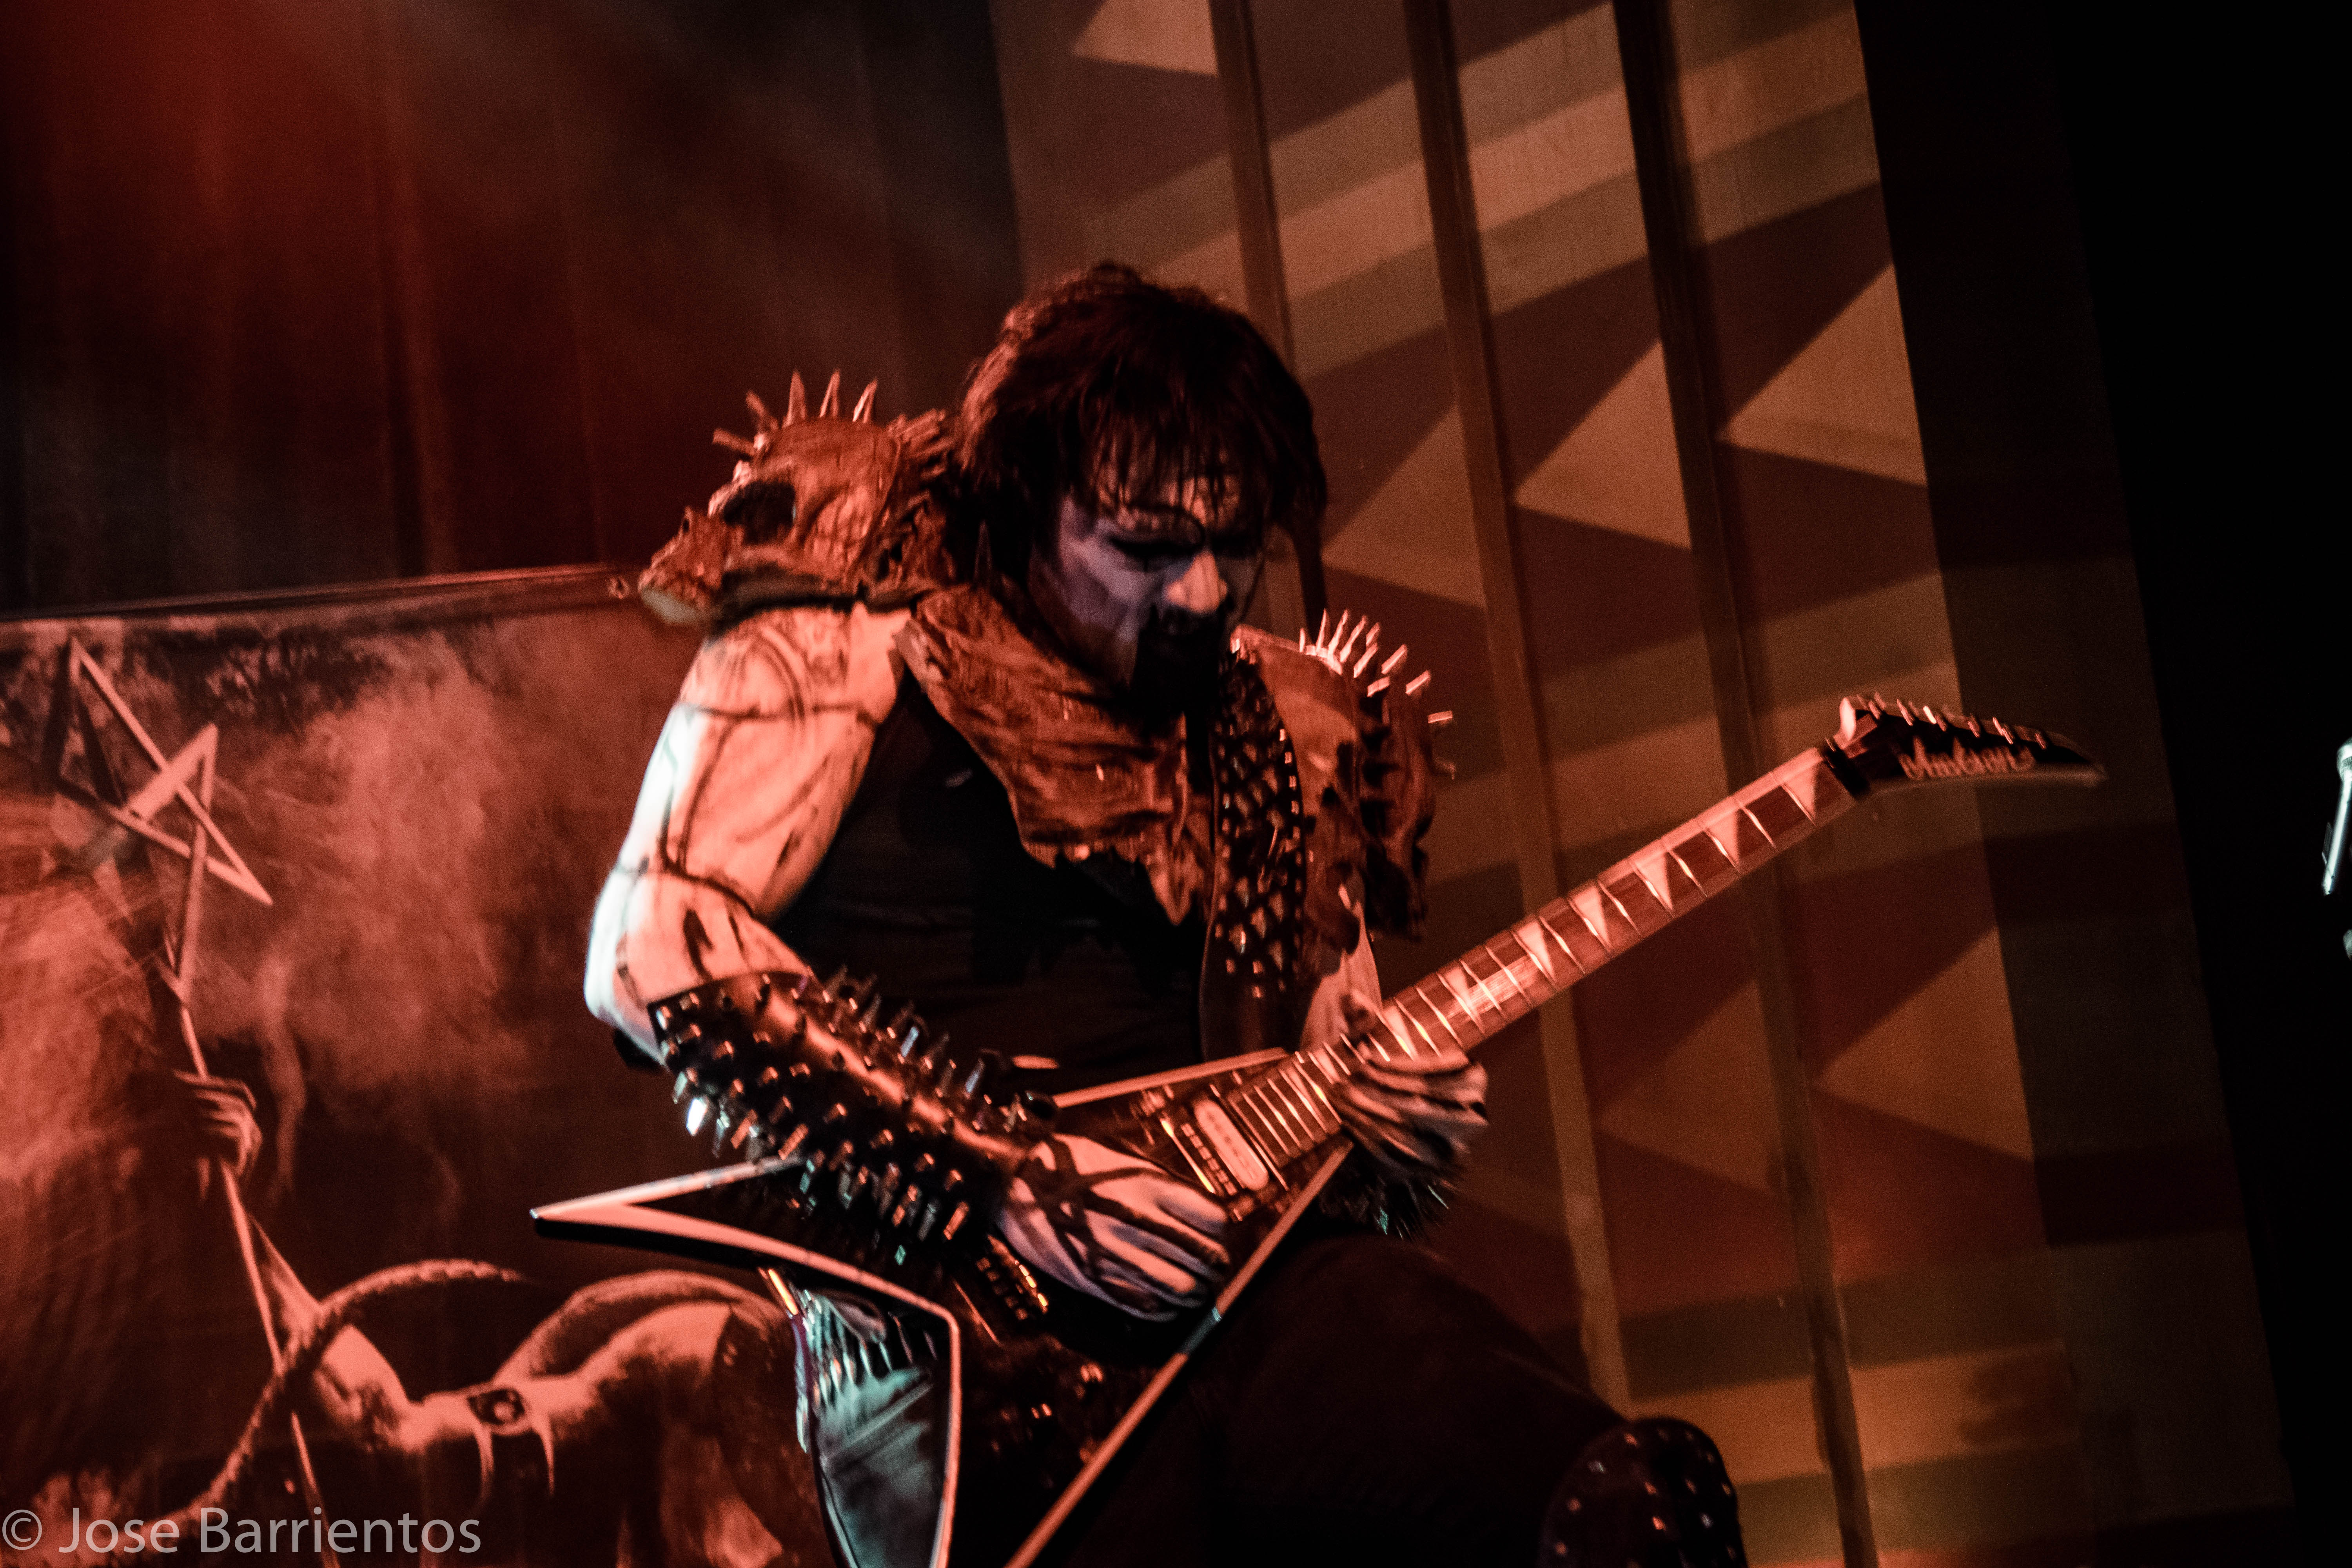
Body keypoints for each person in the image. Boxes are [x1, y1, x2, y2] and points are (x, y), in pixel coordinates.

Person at [585, 265, 1744, 1568]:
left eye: (1233, 548)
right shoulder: (833, 654)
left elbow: (1334, 1055)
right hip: (964, 1355)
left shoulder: (1289, 723)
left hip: (1272, 1299)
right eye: (1142, 548)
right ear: (1027, 506)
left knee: (1629, 1512)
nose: (1199, 593)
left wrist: (1391, 1124)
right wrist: (1004, 1171)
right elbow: (648, 952)